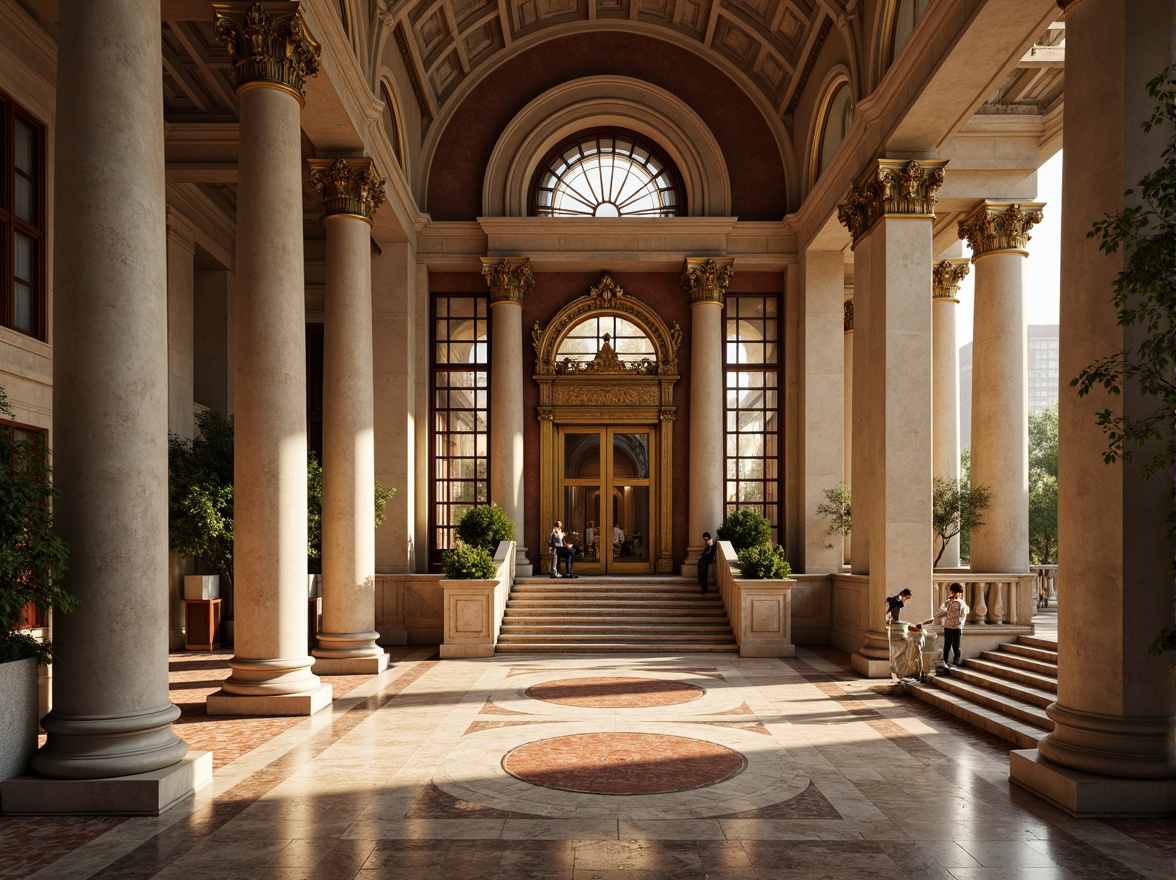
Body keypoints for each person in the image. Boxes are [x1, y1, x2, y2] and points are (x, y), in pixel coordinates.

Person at [923, 582, 970, 669]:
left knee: (956, 645)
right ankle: (945, 661)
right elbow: (942, 611)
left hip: (957, 627)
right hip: (948, 626)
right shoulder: (948, 602)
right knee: (947, 645)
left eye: (958, 593)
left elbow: (964, 613)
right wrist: (939, 616)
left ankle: (956, 660)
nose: (957, 595)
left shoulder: (961, 603)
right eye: (955, 592)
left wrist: (962, 621)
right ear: (952, 592)